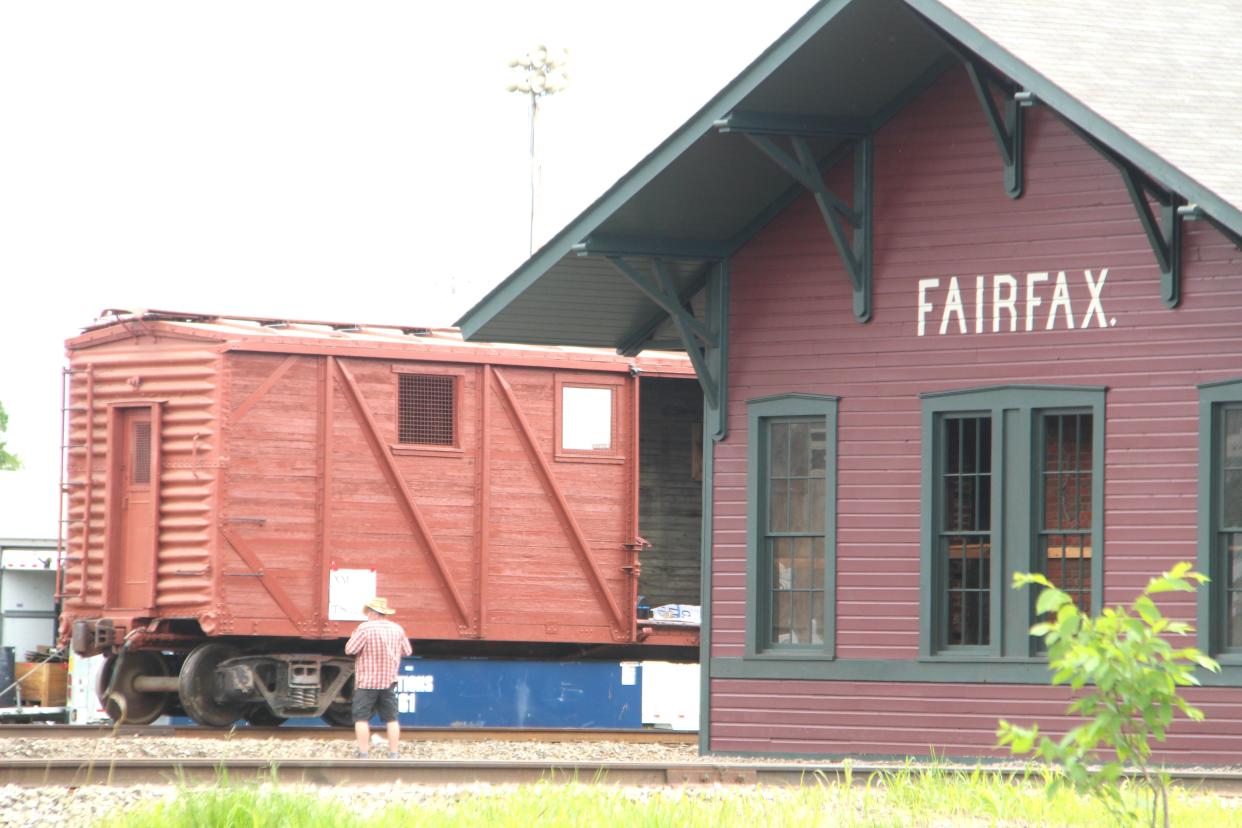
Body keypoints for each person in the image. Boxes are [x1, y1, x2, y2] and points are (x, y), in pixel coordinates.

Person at [344, 596, 412, 758]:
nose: (367, 615)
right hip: (388, 681)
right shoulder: (397, 629)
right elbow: (407, 651)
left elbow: (350, 649)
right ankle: (394, 753)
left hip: (367, 682)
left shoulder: (364, 629)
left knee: (361, 718)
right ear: (384, 613)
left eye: (368, 612)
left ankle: (363, 752)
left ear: (373, 613)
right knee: (392, 719)